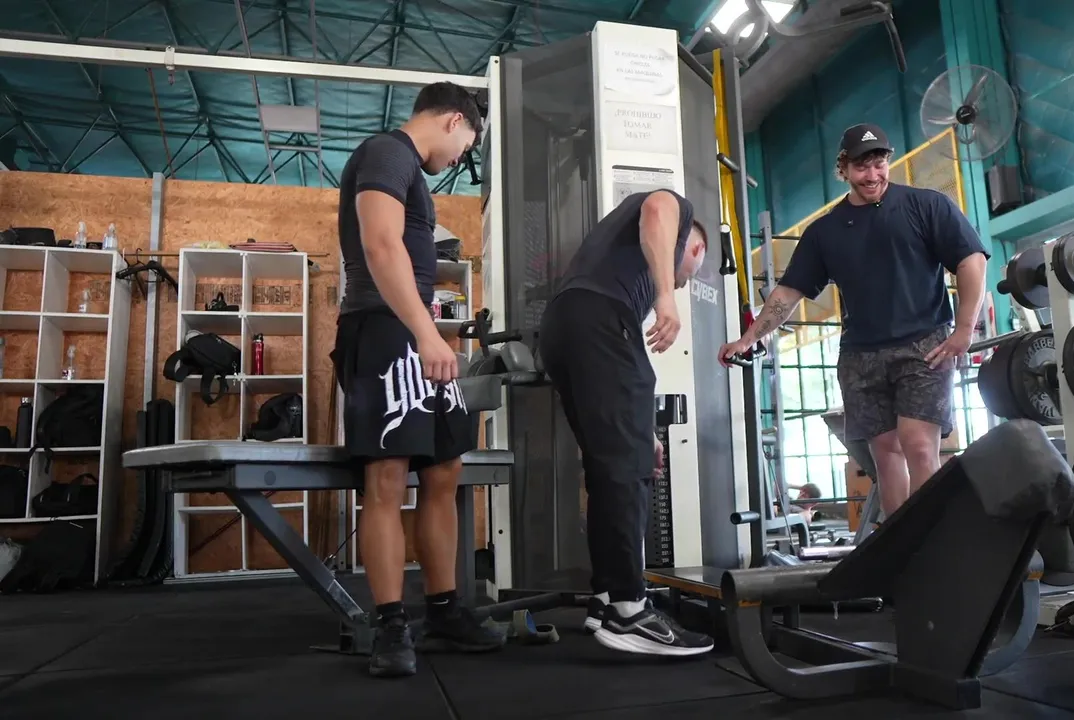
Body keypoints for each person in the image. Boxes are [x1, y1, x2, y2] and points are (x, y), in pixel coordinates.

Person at [719, 123, 988, 519]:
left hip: (924, 345)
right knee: (886, 455)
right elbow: (788, 293)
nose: (873, 176)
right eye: (862, 167)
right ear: (843, 169)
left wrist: (964, 329)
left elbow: (971, 260)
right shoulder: (824, 231)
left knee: (918, 445)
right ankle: (900, 544)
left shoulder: (926, 205)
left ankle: (930, 540)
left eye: (879, 164)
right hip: (861, 356)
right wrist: (748, 338)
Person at [330, 82, 506, 679]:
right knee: (386, 478)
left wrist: (429, 334)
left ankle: (444, 611)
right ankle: (389, 625)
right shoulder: (387, 152)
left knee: (445, 469)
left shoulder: (409, 170)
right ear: (455, 120)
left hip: (416, 331)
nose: (461, 157)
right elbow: (381, 246)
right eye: (468, 145)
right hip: (382, 330)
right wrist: (427, 334)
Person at [538, 189, 715, 657]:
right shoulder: (675, 209)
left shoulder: (608, 256)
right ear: (694, 247)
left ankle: (605, 599)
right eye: (687, 277)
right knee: (624, 471)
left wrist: (642, 434)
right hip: (598, 318)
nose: (681, 286)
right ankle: (629, 611)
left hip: (562, 325)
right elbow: (658, 209)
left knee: (607, 467)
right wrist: (665, 297)